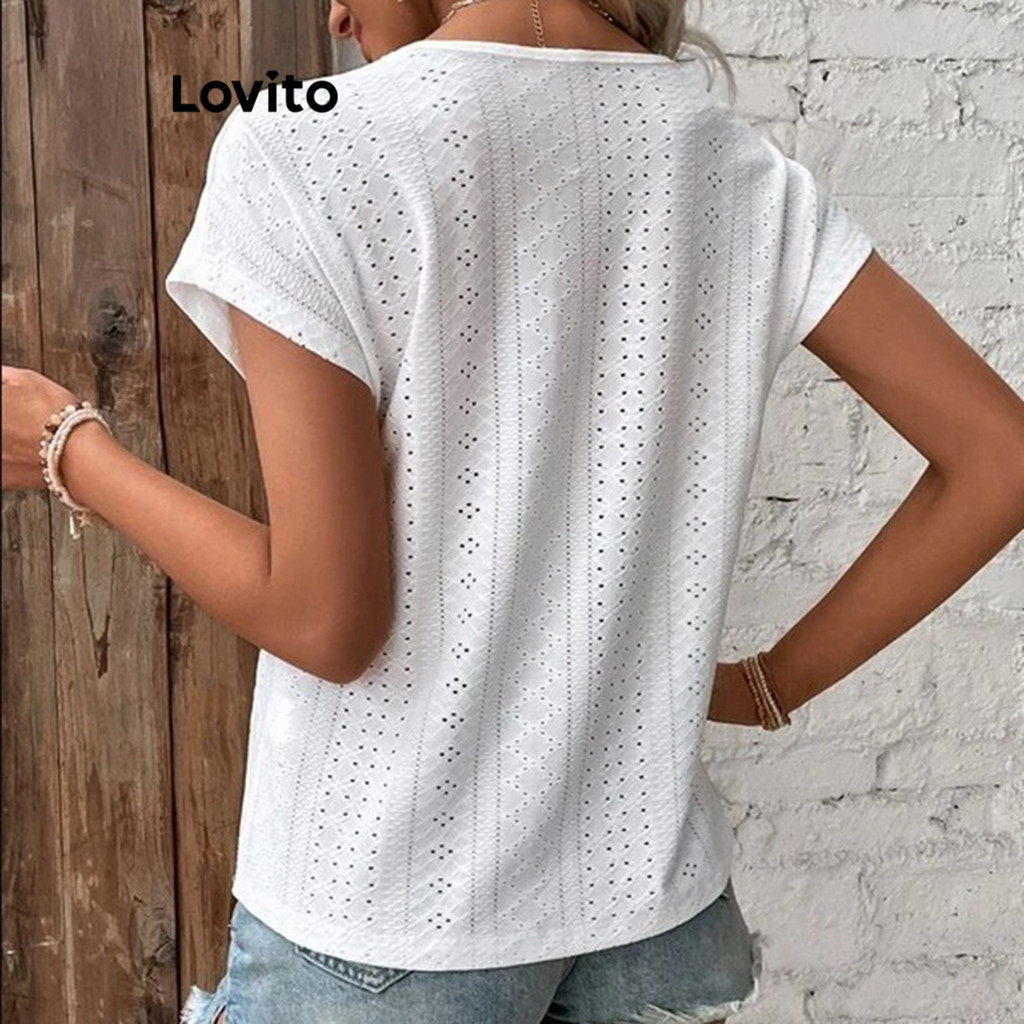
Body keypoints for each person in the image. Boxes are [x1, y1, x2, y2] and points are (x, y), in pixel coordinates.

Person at [4, 0, 1023, 1021]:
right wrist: (769, 683)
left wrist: (69, 449)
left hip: (391, 926)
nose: (337, 15)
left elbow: (324, 619)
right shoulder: (737, 167)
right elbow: (1001, 458)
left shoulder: (306, 142)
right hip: (656, 931)